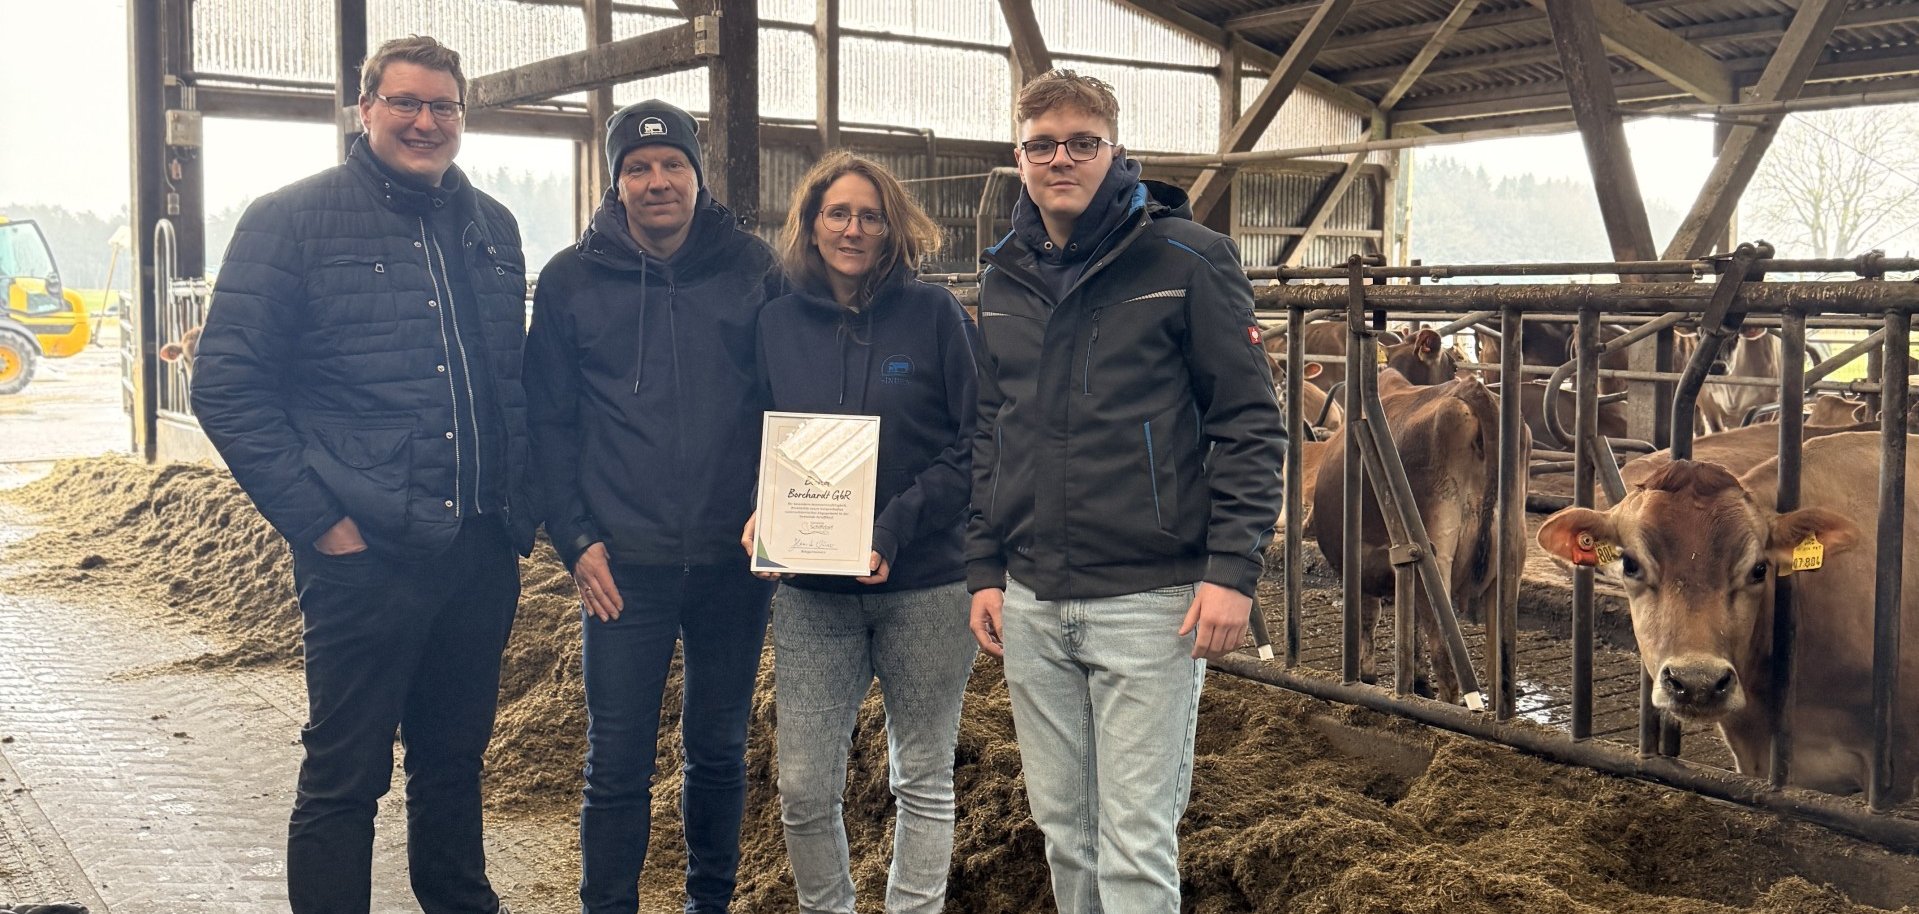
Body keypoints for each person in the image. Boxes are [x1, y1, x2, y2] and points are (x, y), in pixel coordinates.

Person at [191, 36, 532, 914]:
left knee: (454, 761)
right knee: (346, 771)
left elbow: (509, 381)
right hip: (366, 551)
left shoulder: (493, 228)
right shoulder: (291, 219)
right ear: (366, 108)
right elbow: (226, 386)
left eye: (443, 106)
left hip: (478, 546)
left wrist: (517, 513)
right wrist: (320, 521)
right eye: (405, 102)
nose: (425, 122)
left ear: (462, 116)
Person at [963, 70, 1286, 914]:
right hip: (1032, 599)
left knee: (1135, 843)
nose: (1060, 159)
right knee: (1064, 832)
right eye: (1041, 145)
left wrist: (1232, 570)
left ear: (1113, 150)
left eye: (1081, 142)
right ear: (1018, 157)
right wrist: (985, 567)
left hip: (1149, 600)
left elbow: (1249, 423)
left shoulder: (1188, 258)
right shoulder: (1002, 275)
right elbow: (992, 428)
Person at [522, 99, 782, 914]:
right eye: (637, 167)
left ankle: (710, 903)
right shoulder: (570, 279)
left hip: (733, 559)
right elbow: (548, 422)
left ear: (699, 177)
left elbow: (786, 398)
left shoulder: (753, 268)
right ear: (616, 182)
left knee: (718, 749)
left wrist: (775, 515)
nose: (656, 180)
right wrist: (575, 539)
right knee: (616, 759)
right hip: (620, 565)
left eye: (673, 164)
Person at [745, 152, 979, 914]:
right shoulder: (777, 324)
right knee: (802, 787)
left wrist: (893, 528)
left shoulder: (935, 315)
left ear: (892, 229)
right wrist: (760, 510)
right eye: (837, 213)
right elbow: (758, 435)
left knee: (923, 776)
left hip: (927, 584)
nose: (853, 229)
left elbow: (974, 441)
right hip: (812, 593)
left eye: (869, 216)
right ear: (811, 226)